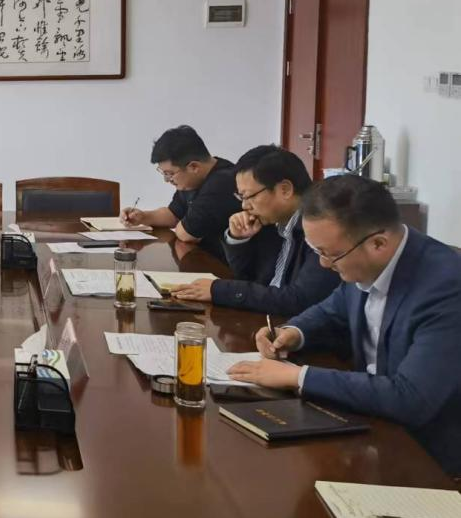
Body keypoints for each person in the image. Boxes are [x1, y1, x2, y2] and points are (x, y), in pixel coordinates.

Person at [229, 175, 461, 475]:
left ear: (378, 243)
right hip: (369, 421)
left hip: (428, 455)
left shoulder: (446, 288)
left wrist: (299, 377)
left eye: (330, 254)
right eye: (318, 252)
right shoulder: (364, 257)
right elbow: (333, 309)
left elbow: (411, 399)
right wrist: (293, 333)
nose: (324, 264)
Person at [170, 145, 339, 315]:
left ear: (285, 190)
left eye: (249, 196)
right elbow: (247, 278)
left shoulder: (321, 228)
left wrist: (220, 291)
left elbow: (299, 300)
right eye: (241, 197)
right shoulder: (272, 222)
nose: (244, 206)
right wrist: (239, 240)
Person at [121, 125, 241, 264]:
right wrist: (143, 217)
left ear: (193, 167)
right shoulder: (194, 179)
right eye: (163, 173)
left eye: (169, 174)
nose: (166, 180)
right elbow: (173, 214)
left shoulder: (221, 183)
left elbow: (186, 234)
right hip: (199, 259)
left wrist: (182, 225)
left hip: (224, 267)